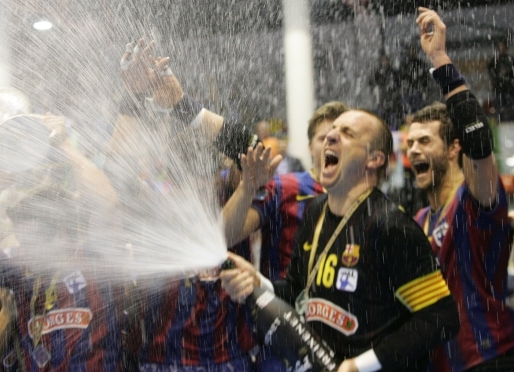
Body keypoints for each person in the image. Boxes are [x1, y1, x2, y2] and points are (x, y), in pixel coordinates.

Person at [221, 104, 460, 371]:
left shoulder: (391, 227)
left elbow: (441, 318)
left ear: (375, 159)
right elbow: (299, 291)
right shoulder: (315, 213)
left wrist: (359, 365)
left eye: (347, 133)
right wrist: (259, 282)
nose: (331, 136)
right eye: (331, 131)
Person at [407, 8, 514, 372]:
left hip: (489, 356)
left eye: (424, 141)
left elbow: (478, 138)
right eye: (409, 144)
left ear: (454, 148)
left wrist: (440, 60)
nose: (413, 150)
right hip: (443, 363)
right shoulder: (419, 219)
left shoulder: (476, 198)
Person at [0, 114, 121, 371]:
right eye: (22, 238)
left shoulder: (93, 258)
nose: (24, 248)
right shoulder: (17, 269)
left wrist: (63, 144)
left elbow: (107, 202)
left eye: (33, 239)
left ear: (64, 233)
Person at [223, 101, 347, 281]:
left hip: (339, 306)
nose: (331, 144)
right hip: (282, 304)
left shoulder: (364, 197)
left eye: (340, 138)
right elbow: (225, 236)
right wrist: (246, 188)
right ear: (310, 148)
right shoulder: (283, 187)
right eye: (324, 138)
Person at [487, 38, 514, 121]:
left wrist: (507, 73)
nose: (501, 48)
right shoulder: (494, 61)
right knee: (500, 110)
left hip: (510, 90)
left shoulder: (511, 60)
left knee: (510, 109)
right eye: (500, 46)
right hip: (499, 90)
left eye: (503, 46)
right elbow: (492, 75)